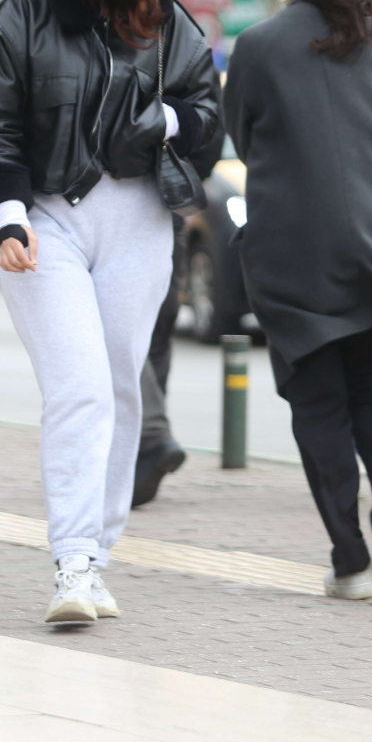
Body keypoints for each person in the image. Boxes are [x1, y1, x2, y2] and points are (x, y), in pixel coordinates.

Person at [0, 0, 220, 623]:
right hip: (47, 219)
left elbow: (207, 113)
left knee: (118, 387)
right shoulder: (18, 18)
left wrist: (165, 121)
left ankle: (98, 555)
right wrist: (9, 215)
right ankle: (74, 562)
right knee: (78, 388)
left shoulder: (159, 8)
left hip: (139, 216)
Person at [224, 0, 372, 601]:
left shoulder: (257, 45)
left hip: (290, 251)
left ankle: (350, 562)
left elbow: (242, 135)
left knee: (317, 403)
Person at [133, 125, 224, 508]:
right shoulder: (180, 78)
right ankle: (141, 456)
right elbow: (210, 128)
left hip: (122, 209)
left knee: (116, 330)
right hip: (166, 208)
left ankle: (148, 438)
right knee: (154, 332)